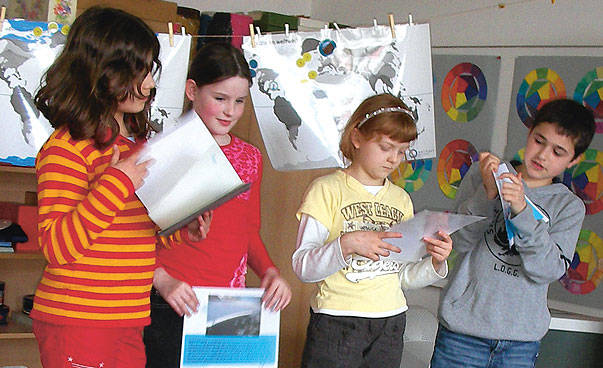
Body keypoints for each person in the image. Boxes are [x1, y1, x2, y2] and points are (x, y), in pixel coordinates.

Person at [30, 7, 210, 368]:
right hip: (77, 319)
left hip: (126, 318)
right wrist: (117, 182)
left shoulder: (133, 148)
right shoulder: (66, 149)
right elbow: (58, 246)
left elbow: (134, 233)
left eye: (150, 71)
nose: (151, 84)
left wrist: (180, 225)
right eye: (139, 72)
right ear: (102, 73)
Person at [143, 42, 292, 368]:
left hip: (229, 303)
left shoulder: (250, 158)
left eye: (239, 101)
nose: (231, 111)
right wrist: (160, 278)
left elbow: (248, 230)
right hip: (171, 299)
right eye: (220, 99)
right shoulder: (163, 151)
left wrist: (269, 271)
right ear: (192, 90)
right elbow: (134, 234)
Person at [430, 98, 596, 368]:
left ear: (573, 160)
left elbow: (547, 269)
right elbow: (458, 241)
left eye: (558, 151)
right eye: (539, 140)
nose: (542, 155)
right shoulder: (486, 173)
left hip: (519, 342)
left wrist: (521, 211)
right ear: (530, 133)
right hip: (462, 333)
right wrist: (487, 193)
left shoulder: (568, 206)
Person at [292, 93, 453, 368]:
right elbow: (303, 267)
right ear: (357, 138)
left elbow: (401, 276)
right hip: (336, 319)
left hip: (390, 322)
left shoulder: (401, 199)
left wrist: (436, 263)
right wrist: (346, 244)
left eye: (401, 151)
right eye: (385, 147)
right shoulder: (326, 189)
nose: (393, 159)